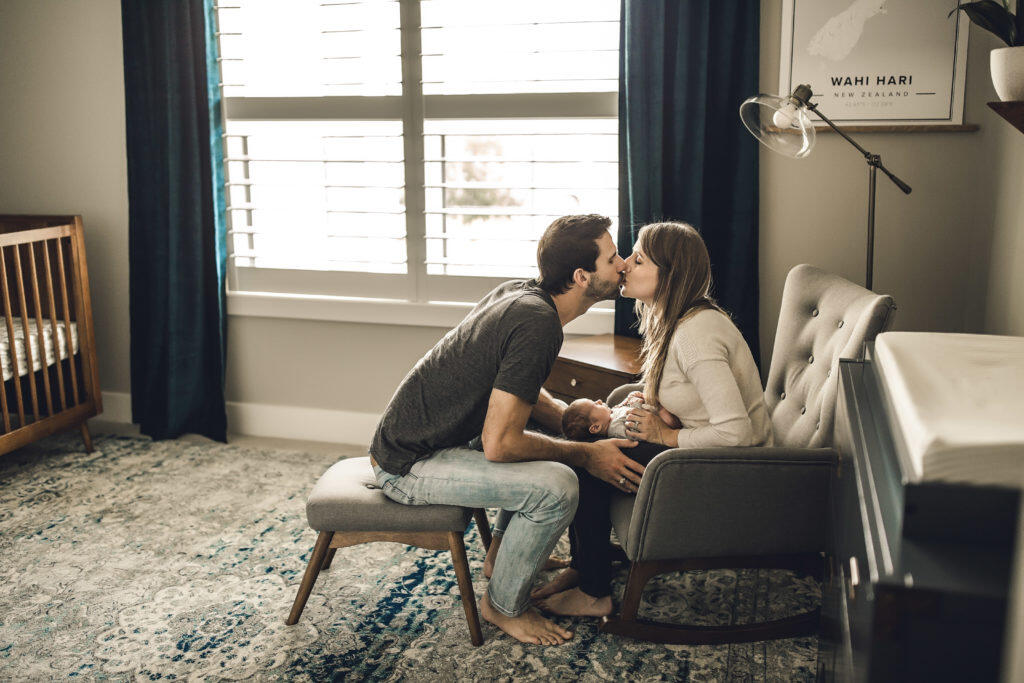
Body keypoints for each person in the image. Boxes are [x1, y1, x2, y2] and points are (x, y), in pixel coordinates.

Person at [368, 214, 645, 646]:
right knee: (558, 486)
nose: (624, 263)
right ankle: (502, 605)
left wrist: (570, 418)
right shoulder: (538, 324)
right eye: (612, 259)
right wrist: (588, 454)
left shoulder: (522, 293)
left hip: (440, 439)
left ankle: (500, 557)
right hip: (408, 465)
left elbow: (519, 395)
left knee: (543, 431)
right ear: (581, 277)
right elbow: (500, 444)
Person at [534, 221, 773, 617]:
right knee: (591, 451)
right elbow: (695, 396)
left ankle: (595, 593)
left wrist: (664, 434)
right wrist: (654, 400)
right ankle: (583, 567)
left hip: (730, 469)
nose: (624, 264)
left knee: (590, 462)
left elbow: (737, 432)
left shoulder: (697, 334)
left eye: (638, 259)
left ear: (670, 274)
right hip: (702, 450)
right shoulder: (675, 319)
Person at [561, 392, 680, 441]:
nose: (598, 401)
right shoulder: (616, 429)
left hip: (651, 411)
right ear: (596, 427)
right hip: (662, 425)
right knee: (669, 419)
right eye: (595, 405)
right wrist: (638, 403)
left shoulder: (611, 414)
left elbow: (623, 406)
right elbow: (636, 430)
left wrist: (631, 397)